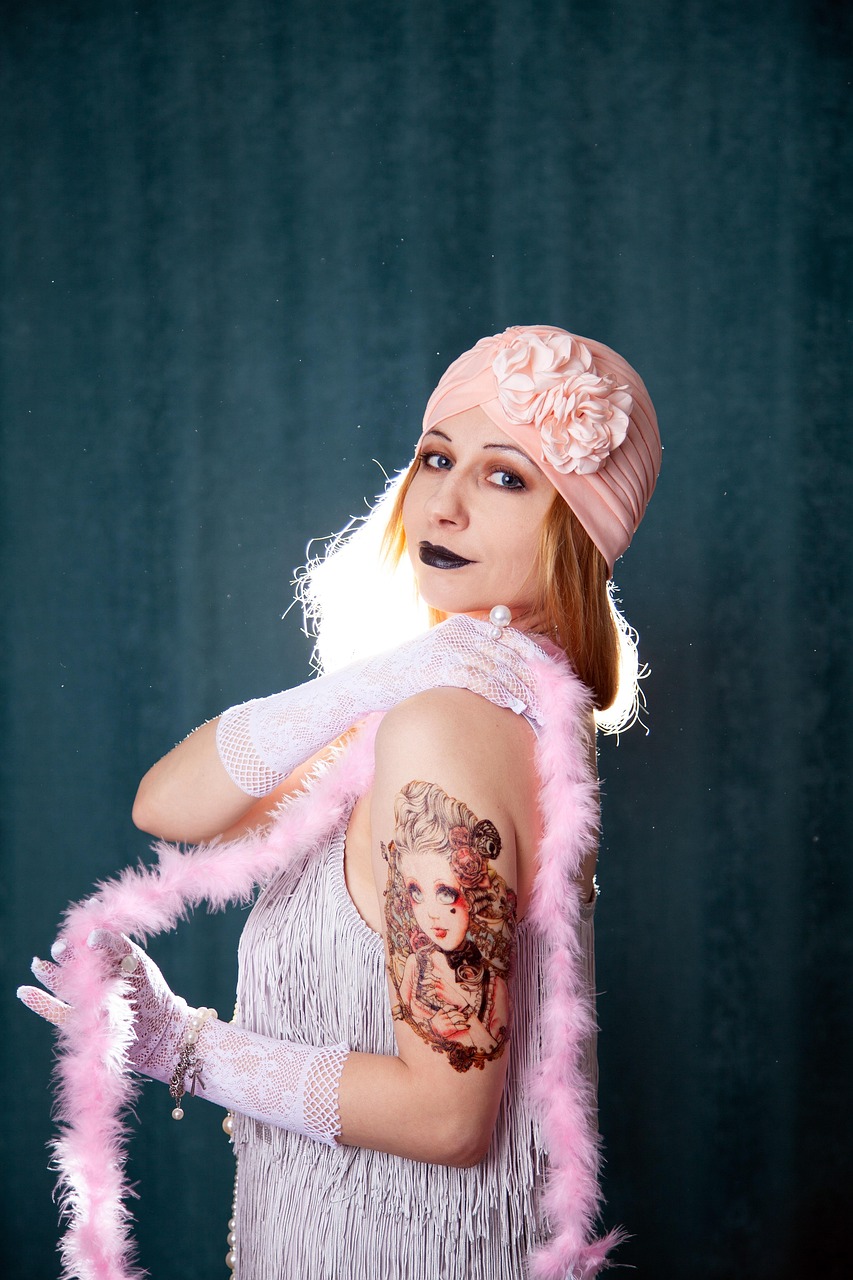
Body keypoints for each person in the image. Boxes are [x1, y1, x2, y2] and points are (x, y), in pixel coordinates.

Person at [19, 325, 660, 1280]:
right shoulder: (446, 701)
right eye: (435, 458)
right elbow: (169, 804)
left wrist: (186, 1047)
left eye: (505, 477)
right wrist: (383, 674)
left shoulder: (447, 729)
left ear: (575, 528)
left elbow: (445, 1119)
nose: (442, 502)